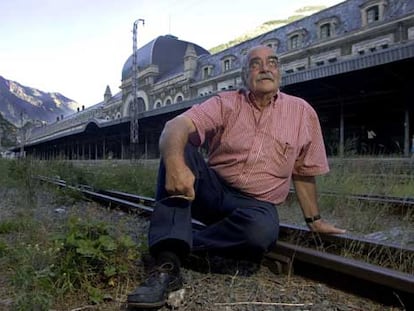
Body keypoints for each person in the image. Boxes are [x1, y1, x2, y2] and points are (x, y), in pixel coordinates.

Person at [127, 45, 346, 309]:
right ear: (245, 75)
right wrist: (175, 164)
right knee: (178, 146)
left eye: (272, 62)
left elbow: (303, 170)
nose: (265, 68)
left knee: (262, 231)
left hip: (255, 205)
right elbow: (175, 126)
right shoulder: (226, 102)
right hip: (211, 190)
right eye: (256, 63)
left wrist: (315, 220)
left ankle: (180, 244)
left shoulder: (302, 112)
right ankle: (166, 265)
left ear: (279, 71)